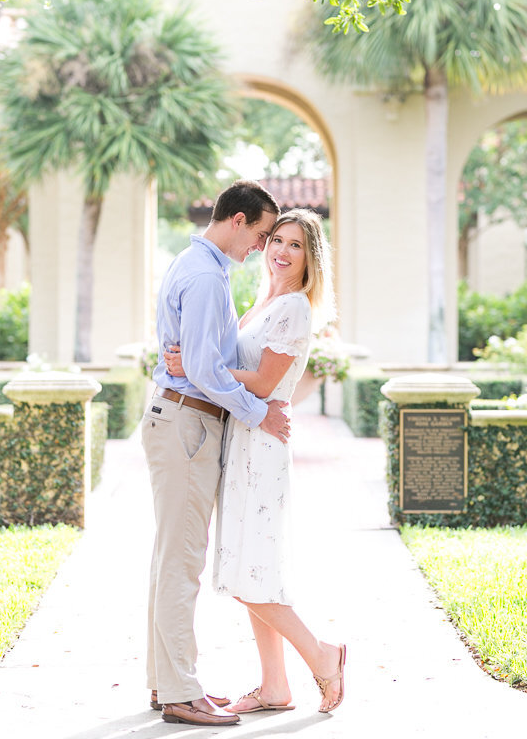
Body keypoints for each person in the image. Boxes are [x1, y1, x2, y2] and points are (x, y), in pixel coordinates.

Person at [164, 207, 346, 715]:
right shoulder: (267, 302)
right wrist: (209, 365)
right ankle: (274, 687)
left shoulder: (294, 309)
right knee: (253, 568)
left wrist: (201, 366)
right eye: (276, 241)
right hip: (241, 437)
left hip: (261, 447)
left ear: (311, 259)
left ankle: (323, 655)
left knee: (248, 573)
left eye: (294, 246)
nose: (281, 252)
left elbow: (264, 384)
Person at [141, 179, 292, 727]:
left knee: (170, 560)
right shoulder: (206, 276)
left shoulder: (200, 266)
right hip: (186, 423)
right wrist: (258, 412)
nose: (261, 245)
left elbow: (202, 361)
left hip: (180, 418)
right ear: (236, 219)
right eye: (259, 233)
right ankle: (180, 692)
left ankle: (166, 683)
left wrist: (207, 373)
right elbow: (203, 368)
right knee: (181, 563)